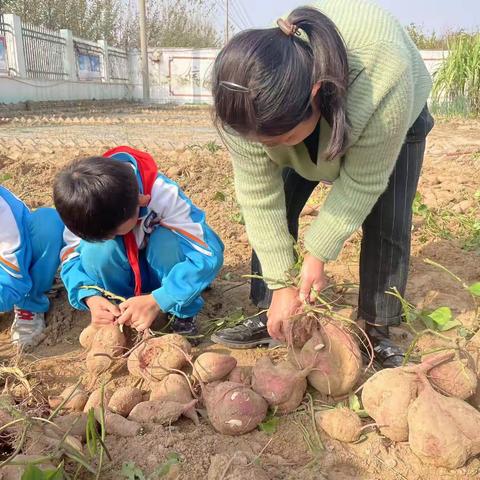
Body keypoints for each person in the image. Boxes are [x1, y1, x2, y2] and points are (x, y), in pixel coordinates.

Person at [210, 0, 434, 367]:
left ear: (314, 93)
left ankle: (377, 327)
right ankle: (273, 309)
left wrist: (317, 255)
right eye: (260, 141)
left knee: (388, 220)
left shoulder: (382, 73)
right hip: (292, 111)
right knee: (281, 197)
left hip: (395, 114)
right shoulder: (243, 99)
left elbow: (363, 181)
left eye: (280, 138)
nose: (268, 149)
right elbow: (258, 199)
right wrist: (283, 283)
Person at [54, 146, 224, 335]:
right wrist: (88, 296)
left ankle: (181, 313)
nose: (110, 238)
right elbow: (70, 256)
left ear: (141, 201)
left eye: (113, 232)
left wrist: (160, 298)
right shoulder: (82, 207)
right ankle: (124, 309)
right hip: (123, 274)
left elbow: (207, 253)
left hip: (164, 271)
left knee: (165, 242)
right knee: (97, 250)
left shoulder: (163, 194)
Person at [0, 186, 65, 348]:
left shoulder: (3, 212)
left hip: (15, 264)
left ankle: (30, 302)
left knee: (49, 226)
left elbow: (14, 278)